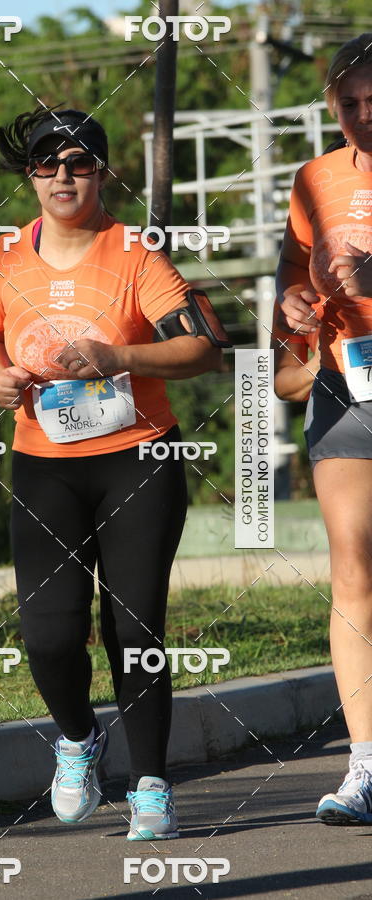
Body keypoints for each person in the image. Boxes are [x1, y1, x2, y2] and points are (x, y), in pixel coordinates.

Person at [0, 107, 224, 839]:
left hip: (138, 460)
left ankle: (151, 784)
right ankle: (80, 740)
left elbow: (204, 347)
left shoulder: (136, 255)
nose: (62, 177)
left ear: (104, 171)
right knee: (48, 635)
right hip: (44, 465)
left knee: (133, 625)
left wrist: (122, 358)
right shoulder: (3, 258)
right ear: (30, 175)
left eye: (79, 162)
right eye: (47, 164)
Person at [275, 34, 372, 825]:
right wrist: (294, 307)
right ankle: (366, 765)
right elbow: (289, 270)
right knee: (353, 569)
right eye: (351, 105)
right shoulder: (313, 179)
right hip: (349, 385)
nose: (365, 116)